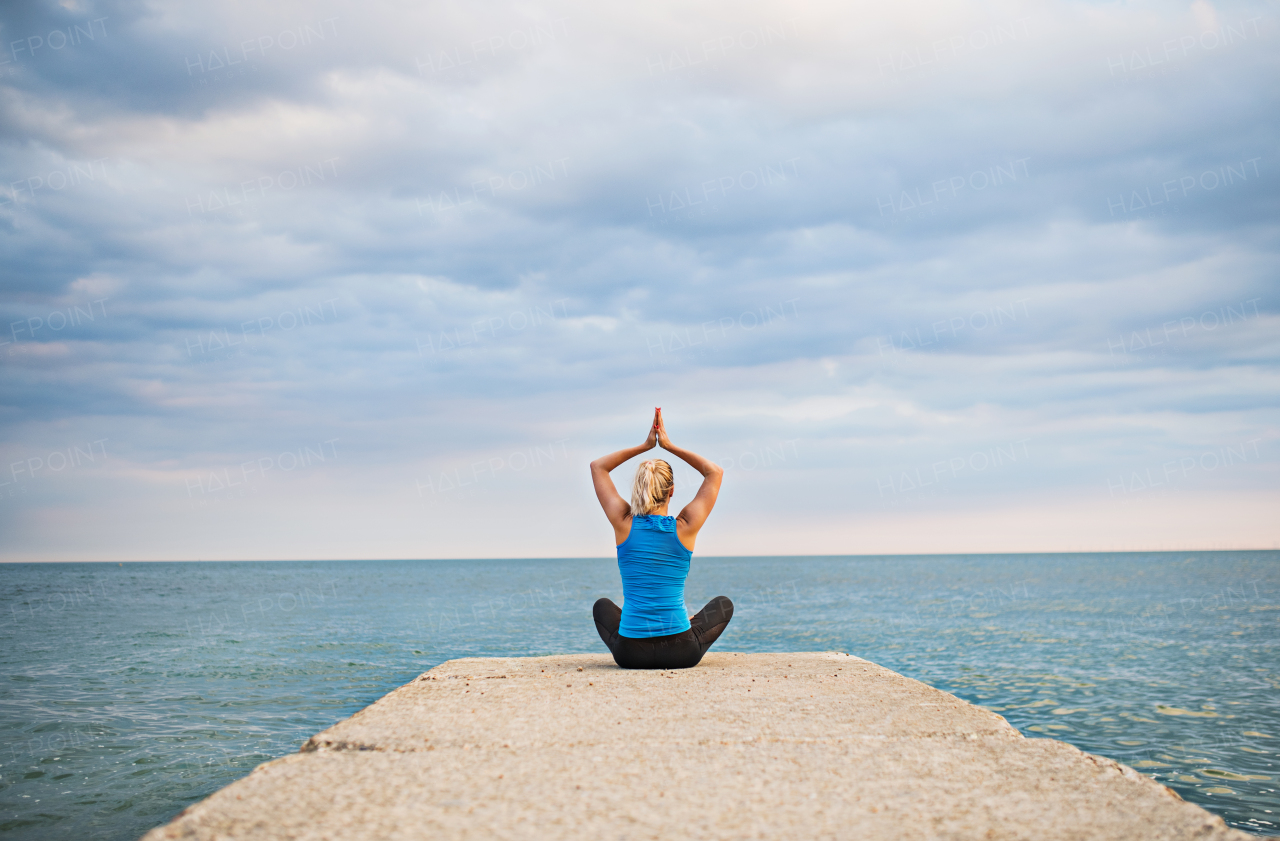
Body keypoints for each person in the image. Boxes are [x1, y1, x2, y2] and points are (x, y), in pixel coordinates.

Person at [589, 408, 733, 669]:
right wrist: (668, 445)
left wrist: (645, 446)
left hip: (630, 654)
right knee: (723, 605)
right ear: (672, 491)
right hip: (681, 651)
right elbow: (715, 472)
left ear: (638, 489)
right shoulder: (685, 526)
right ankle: (677, 623)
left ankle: (639, 628)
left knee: (602, 606)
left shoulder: (623, 522)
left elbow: (598, 467)